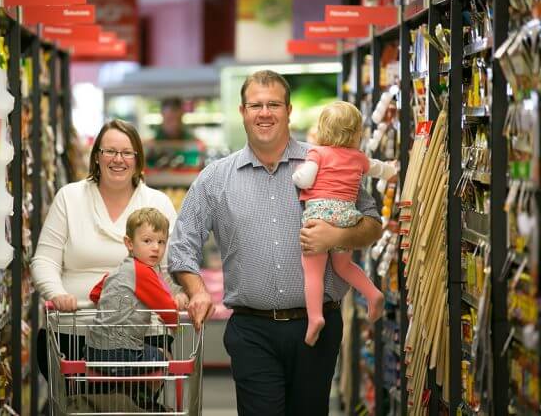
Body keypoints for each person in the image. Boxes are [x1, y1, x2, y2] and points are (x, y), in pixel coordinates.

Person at [168, 70, 382, 416]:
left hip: (317, 328)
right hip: (251, 331)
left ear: (289, 110)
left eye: (273, 104)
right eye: (256, 105)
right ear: (243, 112)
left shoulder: (326, 159)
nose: (264, 113)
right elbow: (182, 245)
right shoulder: (216, 177)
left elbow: (373, 223)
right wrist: (197, 290)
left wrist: (339, 236)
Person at [31, 118, 186, 381]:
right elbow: (44, 260)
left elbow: (172, 266)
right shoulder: (70, 198)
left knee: (133, 407)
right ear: (96, 157)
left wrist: (179, 295)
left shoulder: (156, 202)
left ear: (137, 160)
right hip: (73, 329)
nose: (118, 159)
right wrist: (56, 293)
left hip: (141, 339)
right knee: (80, 405)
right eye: (110, 151)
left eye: (127, 153)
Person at [292, 101, 397, 346]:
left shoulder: (317, 153)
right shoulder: (358, 158)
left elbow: (305, 180)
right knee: (344, 266)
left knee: (313, 272)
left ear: (322, 130)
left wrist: (297, 174)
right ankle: (373, 293)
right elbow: (380, 170)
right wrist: (392, 170)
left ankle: (315, 318)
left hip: (320, 215)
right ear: (356, 133)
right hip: (347, 217)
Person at [86, 208, 180, 411]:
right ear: (129, 243)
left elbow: (94, 294)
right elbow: (168, 310)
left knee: (147, 355)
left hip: (93, 351)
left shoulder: (120, 269)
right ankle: (143, 404)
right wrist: (175, 324)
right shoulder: (144, 273)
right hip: (121, 354)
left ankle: (130, 401)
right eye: (147, 241)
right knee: (164, 357)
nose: (155, 248)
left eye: (161, 242)